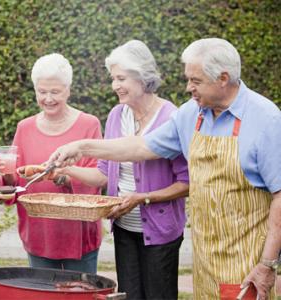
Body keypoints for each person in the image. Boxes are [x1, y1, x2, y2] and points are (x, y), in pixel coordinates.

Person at [50, 38, 281, 300]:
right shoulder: (190, 115)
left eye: (195, 81)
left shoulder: (267, 120)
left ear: (223, 78)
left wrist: (267, 264)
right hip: (205, 260)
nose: (188, 88)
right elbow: (140, 147)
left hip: (247, 261)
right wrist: (81, 147)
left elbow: (280, 195)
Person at [59, 40, 189, 299]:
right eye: (113, 78)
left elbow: (187, 182)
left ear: (142, 77)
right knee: (129, 296)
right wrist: (68, 169)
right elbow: (105, 174)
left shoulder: (171, 118)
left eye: (121, 78)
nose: (115, 85)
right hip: (124, 228)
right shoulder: (117, 115)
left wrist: (144, 198)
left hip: (161, 233)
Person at [0, 53, 103, 274]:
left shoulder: (89, 125)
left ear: (68, 90)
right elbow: (14, 185)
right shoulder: (24, 128)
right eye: (42, 92)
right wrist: (5, 174)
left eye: (55, 92)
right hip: (39, 233)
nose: (48, 99)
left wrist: (61, 175)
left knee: (80, 295)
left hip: (79, 235)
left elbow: (98, 177)